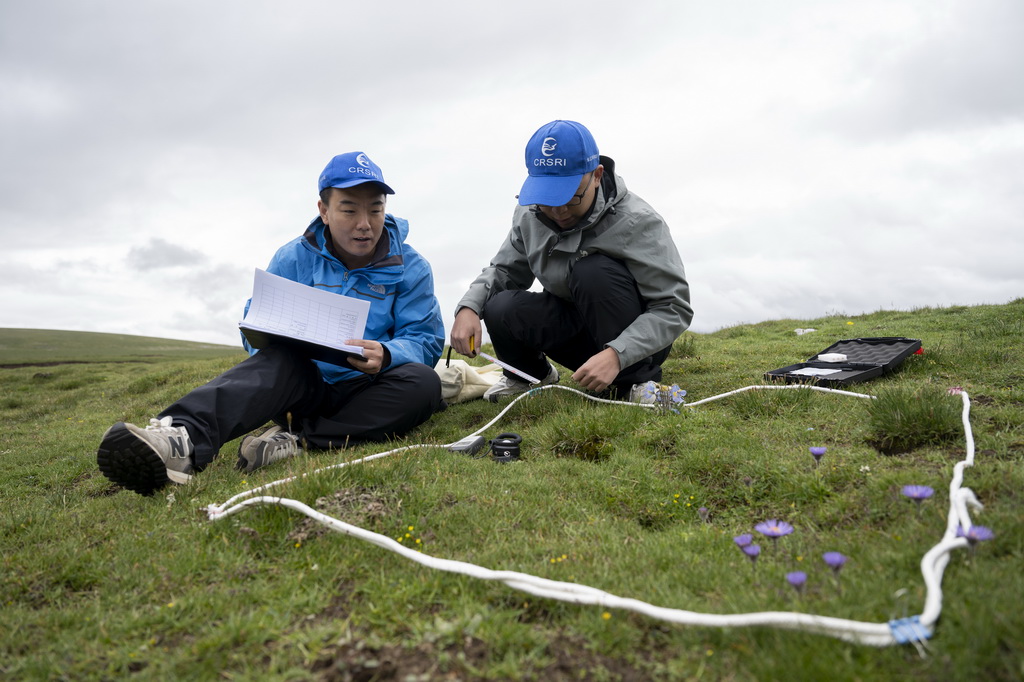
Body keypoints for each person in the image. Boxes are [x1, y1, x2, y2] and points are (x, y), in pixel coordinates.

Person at [97, 152, 445, 496]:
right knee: (281, 360)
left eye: (376, 209)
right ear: (324, 211)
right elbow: (257, 319)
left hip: (372, 389)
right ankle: (181, 441)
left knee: (424, 383)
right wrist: (263, 336)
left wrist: (387, 354)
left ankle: (296, 441)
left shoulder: (412, 266)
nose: (365, 223)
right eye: (350, 209)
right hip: (303, 386)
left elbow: (426, 340)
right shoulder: (294, 257)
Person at [450, 120, 692, 401]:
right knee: (499, 305)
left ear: (597, 175)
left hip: (635, 343)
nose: (559, 210)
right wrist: (468, 307)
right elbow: (505, 270)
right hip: (576, 329)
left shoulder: (638, 221)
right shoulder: (529, 213)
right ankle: (529, 377)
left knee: (592, 271)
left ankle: (633, 384)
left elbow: (672, 307)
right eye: (548, 198)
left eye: (572, 196)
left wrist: (617, 353)